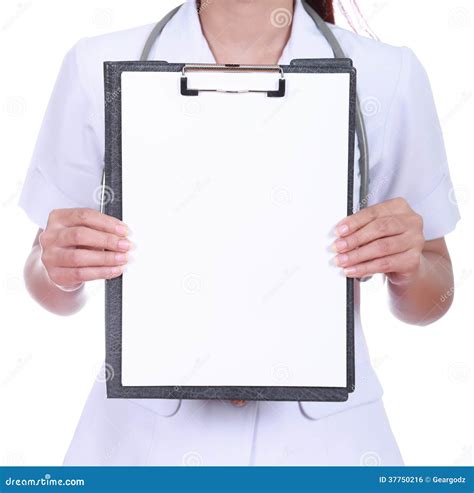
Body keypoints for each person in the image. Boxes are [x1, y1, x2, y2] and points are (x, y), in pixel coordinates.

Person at [19, 0, 460, 465]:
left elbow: (436, 292)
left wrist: (407, 268)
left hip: (330, 450)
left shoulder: (389, 74)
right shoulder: (94, 66)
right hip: (139, 447)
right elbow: (44, 273)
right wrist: (61, 268)